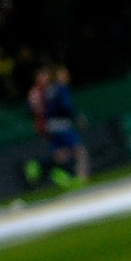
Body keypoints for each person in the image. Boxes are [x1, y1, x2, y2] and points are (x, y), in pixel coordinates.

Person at [23, 61, 83, 189]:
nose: (46, 77)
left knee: (60, 154)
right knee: (73, 150)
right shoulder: (40, 91)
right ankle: (41, 166)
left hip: (48, 125)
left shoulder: (44, 90)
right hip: (49, 125)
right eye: (43, 75)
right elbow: (31, 109)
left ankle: (57, 173)